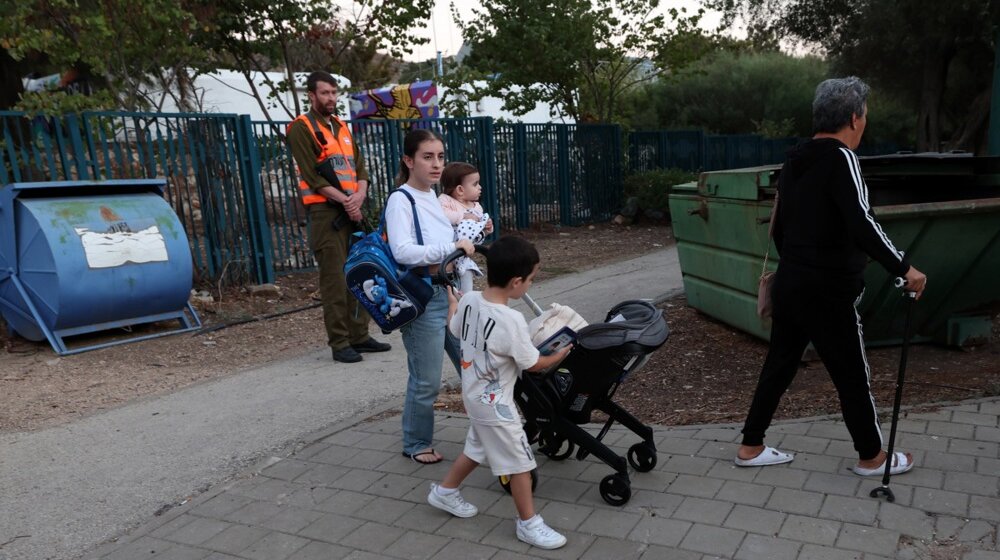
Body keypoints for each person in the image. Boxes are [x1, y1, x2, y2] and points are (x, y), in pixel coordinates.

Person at [735, 76, 927, 477]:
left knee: (780, 364)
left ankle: (751, 446)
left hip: (792, 283)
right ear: (854, 118)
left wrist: (801, 266)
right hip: (827, 291)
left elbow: (782, 228)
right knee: (852, 374)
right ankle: (872, 457)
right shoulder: (842, 159)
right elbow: (863, 222)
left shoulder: (794, 160)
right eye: (865, 117)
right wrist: (904, 267)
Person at [426, 235, 571, 550]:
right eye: (531, 280)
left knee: (476, 448)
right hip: (497, 405)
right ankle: (528, 524)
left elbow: (454, 328)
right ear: (517, 282)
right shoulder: (511, 319)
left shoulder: (469, 300)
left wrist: (453, 304)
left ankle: (445, 492)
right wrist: (558, 356)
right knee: (520, 462)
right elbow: (532, 363)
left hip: (475, 397)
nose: (530, 285)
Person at [286, 71, 391, 364]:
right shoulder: (301, 127)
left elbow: (360, 169)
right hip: (326, 213)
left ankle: (360, 335)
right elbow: (312, 176)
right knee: (335, 280)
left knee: (361, 272)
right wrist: (347, 201)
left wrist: (358, 196)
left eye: (334, 93)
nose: (331, 98)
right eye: (325, 93)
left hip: (351, 210)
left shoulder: (342, 128)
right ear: (311, 95)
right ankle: (340, 342)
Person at [385, 129, 472, 464]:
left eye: (440, 156)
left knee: (474, 370)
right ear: (409, 160)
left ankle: (493, 431)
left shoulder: (434, 199)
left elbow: (446, 243)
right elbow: (403, 251)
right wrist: (451, 247)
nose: (437, 164)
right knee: (427, 381)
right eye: (427, 157)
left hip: (449, 294)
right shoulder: (401, 200)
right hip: (424, 299)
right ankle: (416, 442)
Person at [438, 162, 494, 293]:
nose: (480, 187)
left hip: (464, 253)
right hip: (450, 249)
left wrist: (486, 228)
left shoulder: (476, 206)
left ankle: (465, 298)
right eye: (475, 184)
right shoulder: (445, 200)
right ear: (460, 190)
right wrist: (463, 216)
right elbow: (442, 214)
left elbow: (477, 229)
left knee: (466, 274)